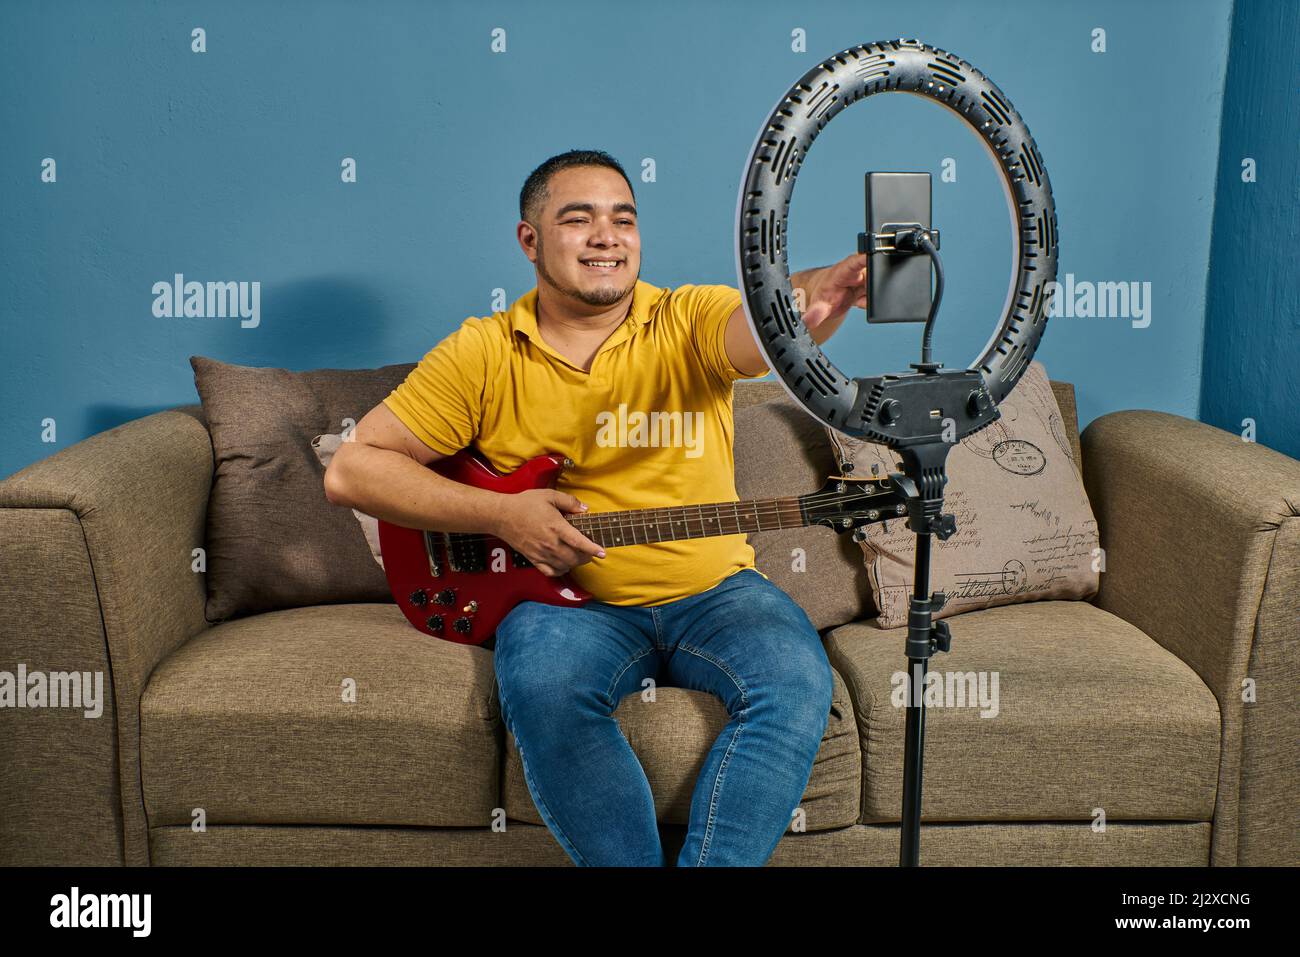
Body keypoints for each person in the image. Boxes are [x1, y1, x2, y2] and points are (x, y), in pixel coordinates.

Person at [325, 149, 867, 866]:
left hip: (716, 592)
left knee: (798, 681)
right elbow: (352, 470)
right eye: (578, 219)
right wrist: (500, 516)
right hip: (565, 609)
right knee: (544, 689)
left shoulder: (687, 318)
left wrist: (812, 297)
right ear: (530, 241)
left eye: (623, 219)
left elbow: (761, 327)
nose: (606, 236)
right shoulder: (482, 353)